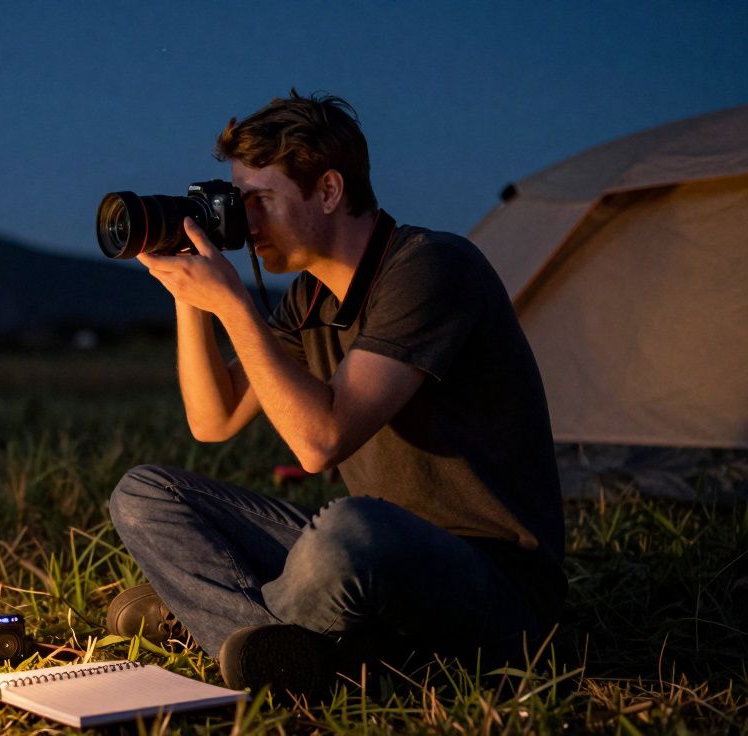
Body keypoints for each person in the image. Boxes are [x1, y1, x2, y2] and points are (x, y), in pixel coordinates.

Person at [105, 91, 566, 699]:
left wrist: (236, 305)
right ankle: (294, 649)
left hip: (492, 587)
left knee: (349, 531)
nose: (245, 225)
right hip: (373, 566)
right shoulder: (310, 299)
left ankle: (231, 629)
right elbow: (212, 421)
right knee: (145, 494)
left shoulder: (432, 268)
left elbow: (320, 443)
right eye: (237, 203)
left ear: (328, 191)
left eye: (260, 201)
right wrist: (190, 297)